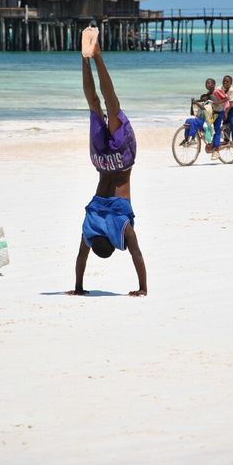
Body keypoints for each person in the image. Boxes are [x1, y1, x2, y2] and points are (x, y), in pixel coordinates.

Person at [67, 26, 147, 297]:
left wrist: (142, 288)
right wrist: (78, 287)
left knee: (112, 107)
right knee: (95, 104)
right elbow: (81, 259)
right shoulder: (89, 227)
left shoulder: (122, 229)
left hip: (121, 163)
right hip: (101, 162)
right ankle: (86, 58)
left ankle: (95, 56)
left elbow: (136, 253)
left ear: (112, 242)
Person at [182, 78, 226, 160]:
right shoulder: (208, 94)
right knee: (189, 121)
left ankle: (216, 150)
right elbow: (204, 101)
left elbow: (225, 99)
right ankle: (187, 139)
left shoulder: (217, 91)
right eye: (206, 83)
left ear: (213, 84)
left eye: (209, 83)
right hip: (212, 113)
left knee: (216, 130)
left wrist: (219, 104)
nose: (207, 85)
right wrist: (194, 102)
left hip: (219, 112)